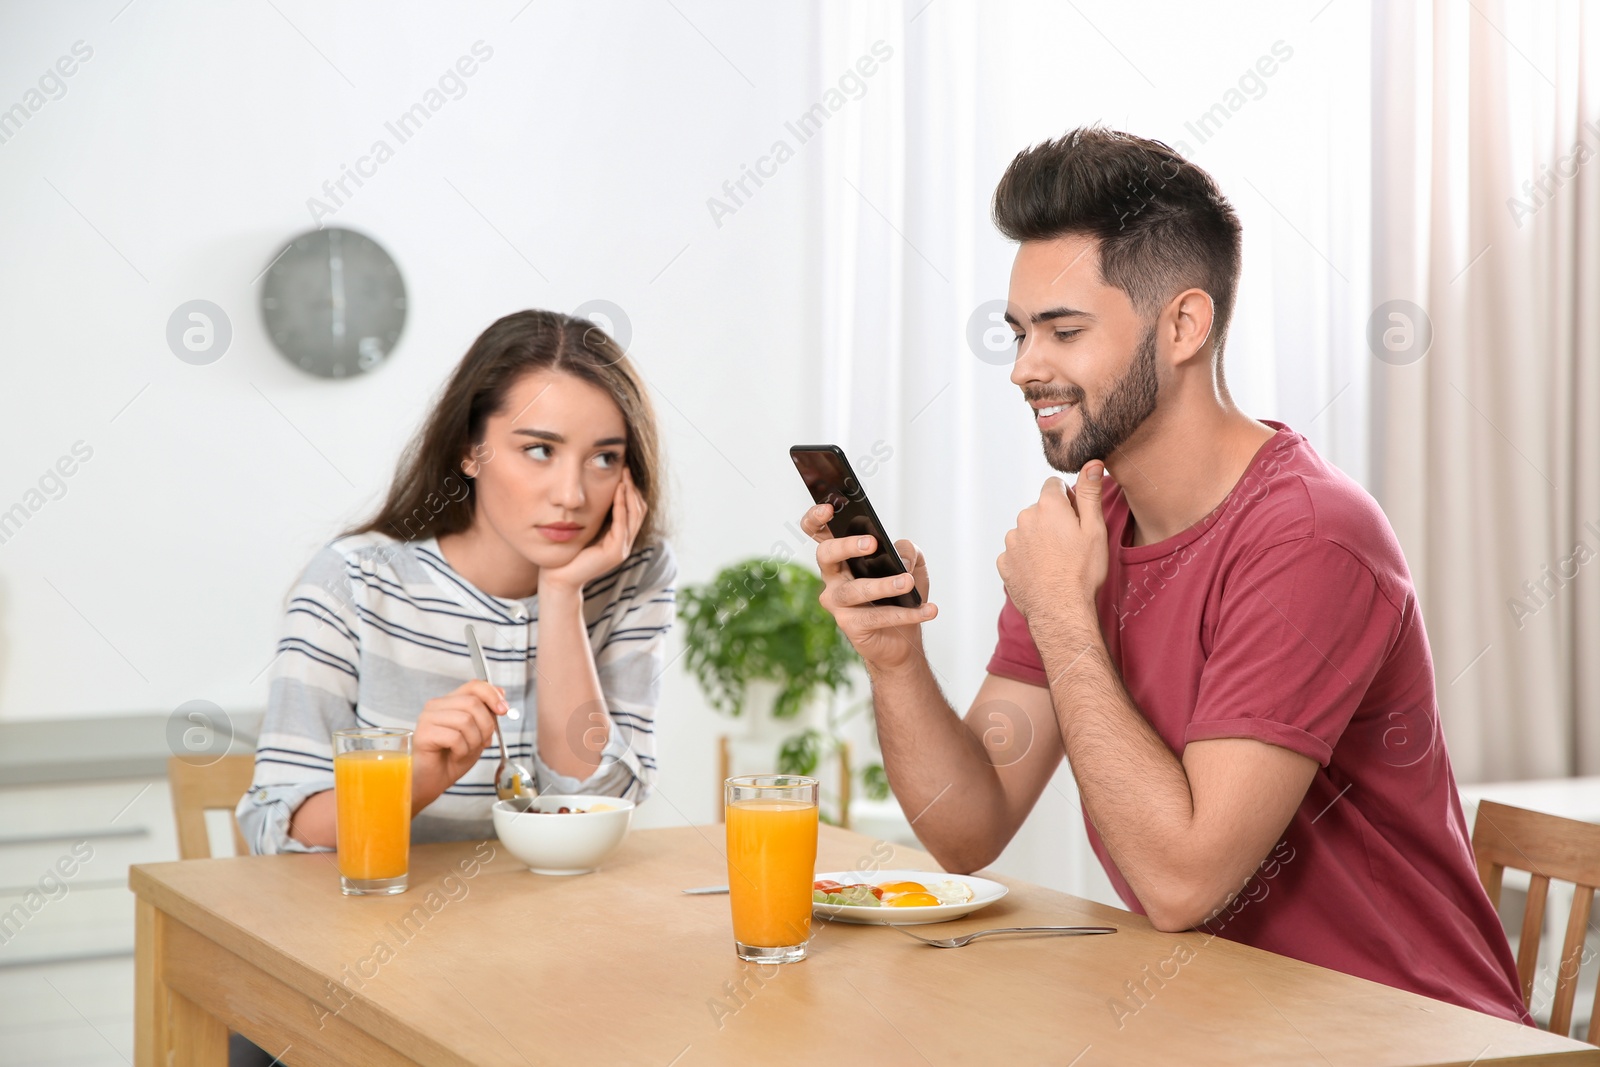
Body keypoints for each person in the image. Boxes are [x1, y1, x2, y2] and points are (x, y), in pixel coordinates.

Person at [804, 127, 1529, 1024]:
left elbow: (1185, 883)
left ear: (1184, 323)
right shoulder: (1085, 534)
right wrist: (894, 658)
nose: (1027, 367)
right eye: (1020, 333)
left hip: (1410, 1031)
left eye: (1063, 331)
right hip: (1223, 1022)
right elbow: (969, 828)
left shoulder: (1311, 539)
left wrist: (1065, 613)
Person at [239, 309, 674, 855]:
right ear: (471, 449)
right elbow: (277, 829)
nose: (572, 494)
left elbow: (596, 800)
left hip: (561, 926)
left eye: (604, 458)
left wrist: (561, 595)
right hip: (380, 925)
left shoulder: (633, 572)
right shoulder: (353, 581)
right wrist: (419, 774)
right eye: (539, 450)